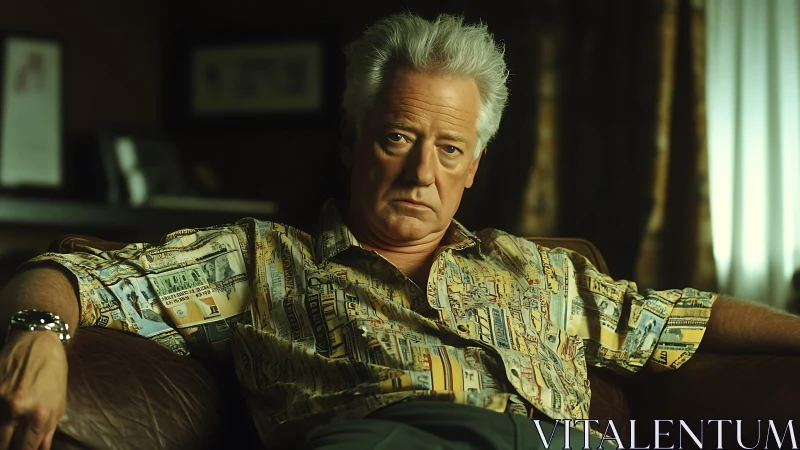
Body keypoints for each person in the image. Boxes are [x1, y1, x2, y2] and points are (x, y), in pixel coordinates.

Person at [0, 12, 799, 450]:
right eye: (397, 139)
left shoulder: (541, 274)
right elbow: (70, 274)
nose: (423, 172)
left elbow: (685, 319)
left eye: (449, 149)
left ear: (473, 167)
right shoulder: (260, 260)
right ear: (352, 143)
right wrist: (40, 332)